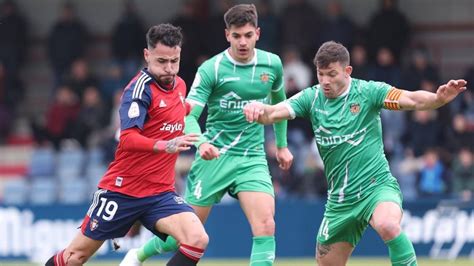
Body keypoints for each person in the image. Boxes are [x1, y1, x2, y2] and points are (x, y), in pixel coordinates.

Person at [243, 41, 467, 266]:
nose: (325, 81)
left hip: (377, 187)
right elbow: (273, 113)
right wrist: (257, 109)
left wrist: (437, 99)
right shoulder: (311, 99)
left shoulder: (368, 92)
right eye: (321, 74)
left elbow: (411, 99)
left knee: (388, 225)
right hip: (340, 202)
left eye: (332, 74)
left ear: (347, 71)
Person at [121, 4, 293, 266]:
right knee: (185, 236)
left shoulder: (272, 64)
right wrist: (200, 143)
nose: (243, 42)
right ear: (227, 35)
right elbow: (187, 114)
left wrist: (281, 145)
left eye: (248, 35)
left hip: (252, 157)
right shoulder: (212, 69)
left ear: (257, 33)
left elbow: (280, 106)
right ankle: (139, 254)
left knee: (266, 225)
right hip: (213, 157)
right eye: (237, 36)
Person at [45, 23, 209, 266]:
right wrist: (167, 145)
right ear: (147, 55)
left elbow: (176, 113)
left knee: (197, 238)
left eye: (174, 61)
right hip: (123, 191)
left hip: (160, 193)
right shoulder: (138, 90)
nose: (169, 68)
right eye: (162, 61)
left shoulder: (180, 86)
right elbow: (128, 138)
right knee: (75, 257)